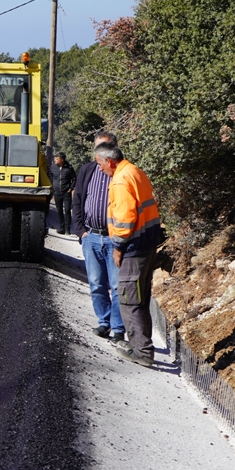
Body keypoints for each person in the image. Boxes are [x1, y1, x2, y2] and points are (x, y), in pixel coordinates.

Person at [95, 143, 164, 367]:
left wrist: (118, 247)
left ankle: (141, 352)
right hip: (147, 244)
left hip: (133, 247)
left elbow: (124, 219)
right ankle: (144, 346)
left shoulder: (121, 180)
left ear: (109, 162)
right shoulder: (135, 172)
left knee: (129, 300)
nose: (100, 169)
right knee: (141, 298)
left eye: (100, 164)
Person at [72, 132, 125, 345]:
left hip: (115, 239)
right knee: (96, 283)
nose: (99, 151)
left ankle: (119, 328)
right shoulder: (87, 170)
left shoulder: (121, 173)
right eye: (97, 147)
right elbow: (77, 200)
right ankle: (104, 322)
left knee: (117, 285)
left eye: (103, 147)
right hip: (91, 236)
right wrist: (80, 231)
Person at [52, 152, 76, 234]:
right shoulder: (53, 167)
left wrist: (71, 188)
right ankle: (61, 228)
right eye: (55, 158)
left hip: (66, 193)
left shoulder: (69, 168)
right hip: (57, 192)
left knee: (67, 210)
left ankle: (67, 229)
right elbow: (51, 178)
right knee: (59, 211)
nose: (55, 160)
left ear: (62, 160)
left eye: (56, 158)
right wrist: (52, 188)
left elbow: (74, 179)